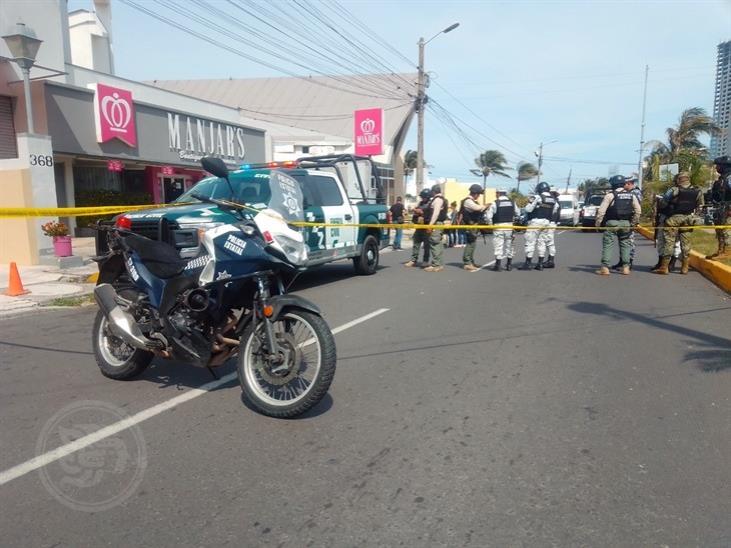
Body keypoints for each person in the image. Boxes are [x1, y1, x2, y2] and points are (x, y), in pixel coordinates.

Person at [652, 172, 704, 275]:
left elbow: (663, 203)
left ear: (678, 180)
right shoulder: (697, 191)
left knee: (669, 242)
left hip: (673, 219)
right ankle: (685, 268)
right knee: (686, 244)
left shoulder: (674, 190)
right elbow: (701, 206)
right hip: (688, 219)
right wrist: (694, 216)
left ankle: (664, 267)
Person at [595, 175, 641, 275]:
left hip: (612, 223)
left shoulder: (610, 195)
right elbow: (638, 211)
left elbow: (601, 212)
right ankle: (625, 268)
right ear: (624, 183)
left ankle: (605, 268)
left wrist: (598, 224)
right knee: (625, 245)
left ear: (613, 184)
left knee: (608, 245)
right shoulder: (631, 195)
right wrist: (632, 223)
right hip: (626, 224)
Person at [520, 181, 557, 270]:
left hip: (535, 222)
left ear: (539, 189)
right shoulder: (553, 199)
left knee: (530, 242)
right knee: (542, 242)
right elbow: (554, 210)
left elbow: (528, 209)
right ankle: (540, 264)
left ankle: (528, 263)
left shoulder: (537, 197)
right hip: (547, 223)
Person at [612, 176, 643, 271]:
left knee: (629, 242)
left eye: (624, 184)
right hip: (625, 220)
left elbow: (637, 209)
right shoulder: (628, 193)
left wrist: (633, 222)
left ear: (629, 183)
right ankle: (622, 261)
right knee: (623, 241)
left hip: (630, 220)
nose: (623, 186)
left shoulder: (635, 193)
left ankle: (628, 262)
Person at [485, 187, 519, 271]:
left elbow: (488, 217)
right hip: (509, 227)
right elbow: (518, 213)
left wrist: (490, 225)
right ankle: (509, 265)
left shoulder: (495, 203)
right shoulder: (512, 203)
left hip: (498, 226)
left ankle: (498, 265)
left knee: (498, 245)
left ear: (498, 193)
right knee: (509, 245)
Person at [459, 184, 489, 271]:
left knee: (473, 244)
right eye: (478, 194)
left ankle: (471, 261)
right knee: (470, 244)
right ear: (475, 193)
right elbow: (477, 208)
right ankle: (467, 262)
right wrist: (485, 206)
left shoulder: (471, 201)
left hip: (474, 225)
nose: (479, 196)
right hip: (469, 225)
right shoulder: (468, 201)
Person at [707, 156, 731, 260]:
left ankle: (727, 252)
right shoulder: (722, 179)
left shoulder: (730, 178)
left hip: (728, 208)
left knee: (726, 231)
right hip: (721, 208)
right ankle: (721, 250)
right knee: (720, 230)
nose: (717, 167)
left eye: (718, 165)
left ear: (724, 166)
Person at [404, 189, 432, 267]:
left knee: (426, 246)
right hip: (419, 227)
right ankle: (413, 260)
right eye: (422, 197)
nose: (422, 198)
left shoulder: (430, 204)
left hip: (426, 227)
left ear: (428, 197)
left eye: (424, 197)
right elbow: (415, 215)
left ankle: (425, 261)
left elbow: (430, 216)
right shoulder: (420, 203)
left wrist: (422, 212)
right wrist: (416, 212)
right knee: (416, 243)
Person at [424, 184, 448, 272]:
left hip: (436, 223)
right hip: (439, 223)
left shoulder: (437, 200)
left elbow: (435, 213)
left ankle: (436, 264)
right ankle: (439, 263)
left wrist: (430, 225)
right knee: (438, 243)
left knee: (434, 243)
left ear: (434, 192)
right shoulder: (442, 199)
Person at [544, 189, 561, 269]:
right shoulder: (556, 201)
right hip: (552, 223)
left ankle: (551, 261)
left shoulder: (553, 202)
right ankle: (550, 260)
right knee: (548, 242)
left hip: (550, 223)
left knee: (549, 242)